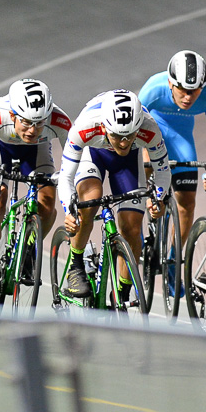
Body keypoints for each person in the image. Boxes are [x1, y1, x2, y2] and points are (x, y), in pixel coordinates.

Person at [57, 89, 171, 306]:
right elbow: (66, 177)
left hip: (127, 163)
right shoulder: (85, 126)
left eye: (130, 136)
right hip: (93, 153)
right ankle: (76, 264)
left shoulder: (149, 128)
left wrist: (158, 198)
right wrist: (69, 211)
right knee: (90, 199)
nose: (123, 143)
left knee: (132, 228)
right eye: (118, 136)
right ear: (104, 127)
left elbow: (163, 172)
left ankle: (122, 292)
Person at [0, 79, 72, 302]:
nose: (32, 130)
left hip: (37, 153)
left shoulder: (61, 122)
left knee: (47, 206)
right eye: (26, 123)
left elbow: (74, 159)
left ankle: (28, 252)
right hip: (1, 150)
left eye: (39, 123)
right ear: (13, 115)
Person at [138, 50, 206, 241]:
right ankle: (136, 234)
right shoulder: (153, 89)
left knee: (187, 203)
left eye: (194, 91)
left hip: (181, 139)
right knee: (142, 175)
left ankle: (174, 259)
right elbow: (134, 130)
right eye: (183, 90)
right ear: (170, 83)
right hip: (151, 134)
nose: (188, 97)